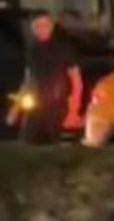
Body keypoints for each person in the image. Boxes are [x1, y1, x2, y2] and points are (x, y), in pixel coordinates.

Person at [6, 11, 77, 144]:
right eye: (38, 26)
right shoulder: (32, 51)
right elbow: (28, 81)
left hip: (58, 107)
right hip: (35, 106)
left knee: (57, 144)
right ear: (32, 28)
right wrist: (15, 109)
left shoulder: (64, 49)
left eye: (46, 25)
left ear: (52, 26)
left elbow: (76, 80)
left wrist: (73, 109)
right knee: (25, 142)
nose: (42, 29)